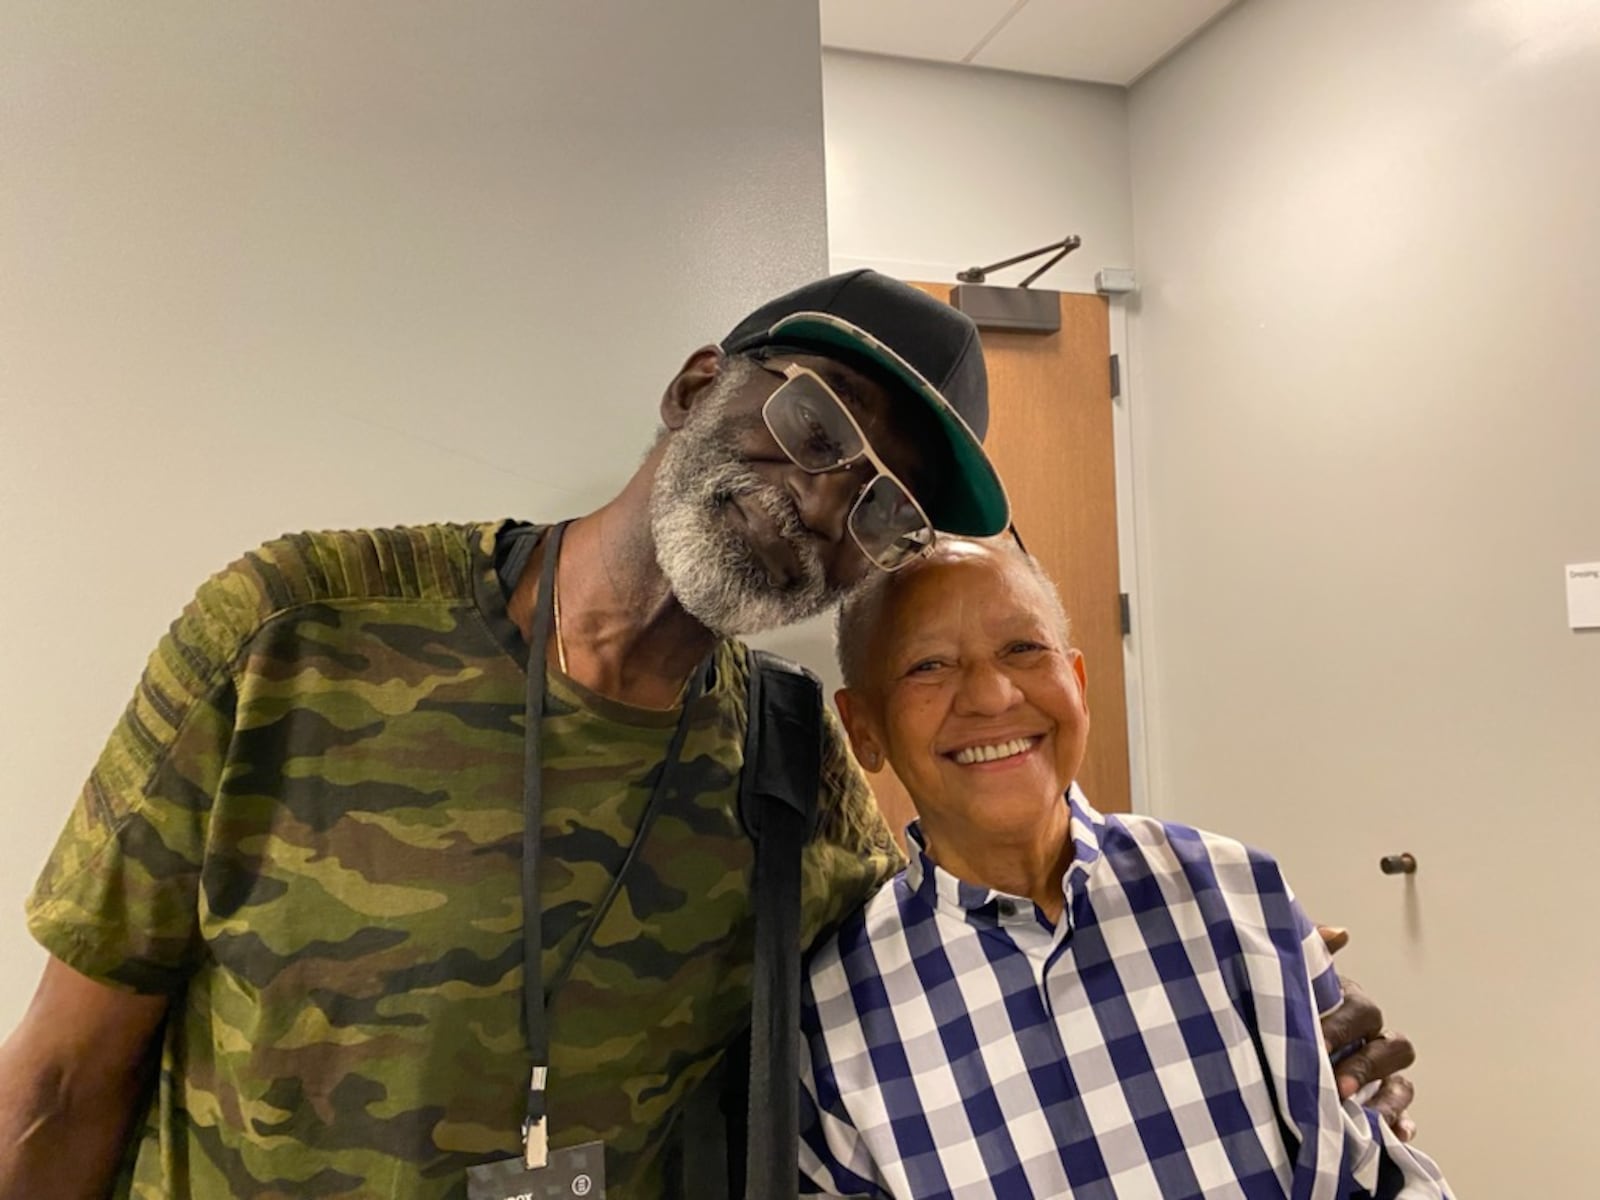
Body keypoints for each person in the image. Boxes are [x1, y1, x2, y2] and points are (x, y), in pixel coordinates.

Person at [0, 271, 1412, 1200]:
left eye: (882, 511)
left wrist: (1269, 1006)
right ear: (694, 388)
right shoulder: (298, 626)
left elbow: (982, 945)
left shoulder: (798, 783)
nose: (821, 504)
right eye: (812, 424)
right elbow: (61, 1082)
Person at [801, 535, 1448, 1199]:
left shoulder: (1233, 893)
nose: (992, 696)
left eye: (1023, 648)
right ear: (864, 729)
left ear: (1076, 683)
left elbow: (1380, 1175)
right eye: (929, 665)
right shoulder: (833, 1013)